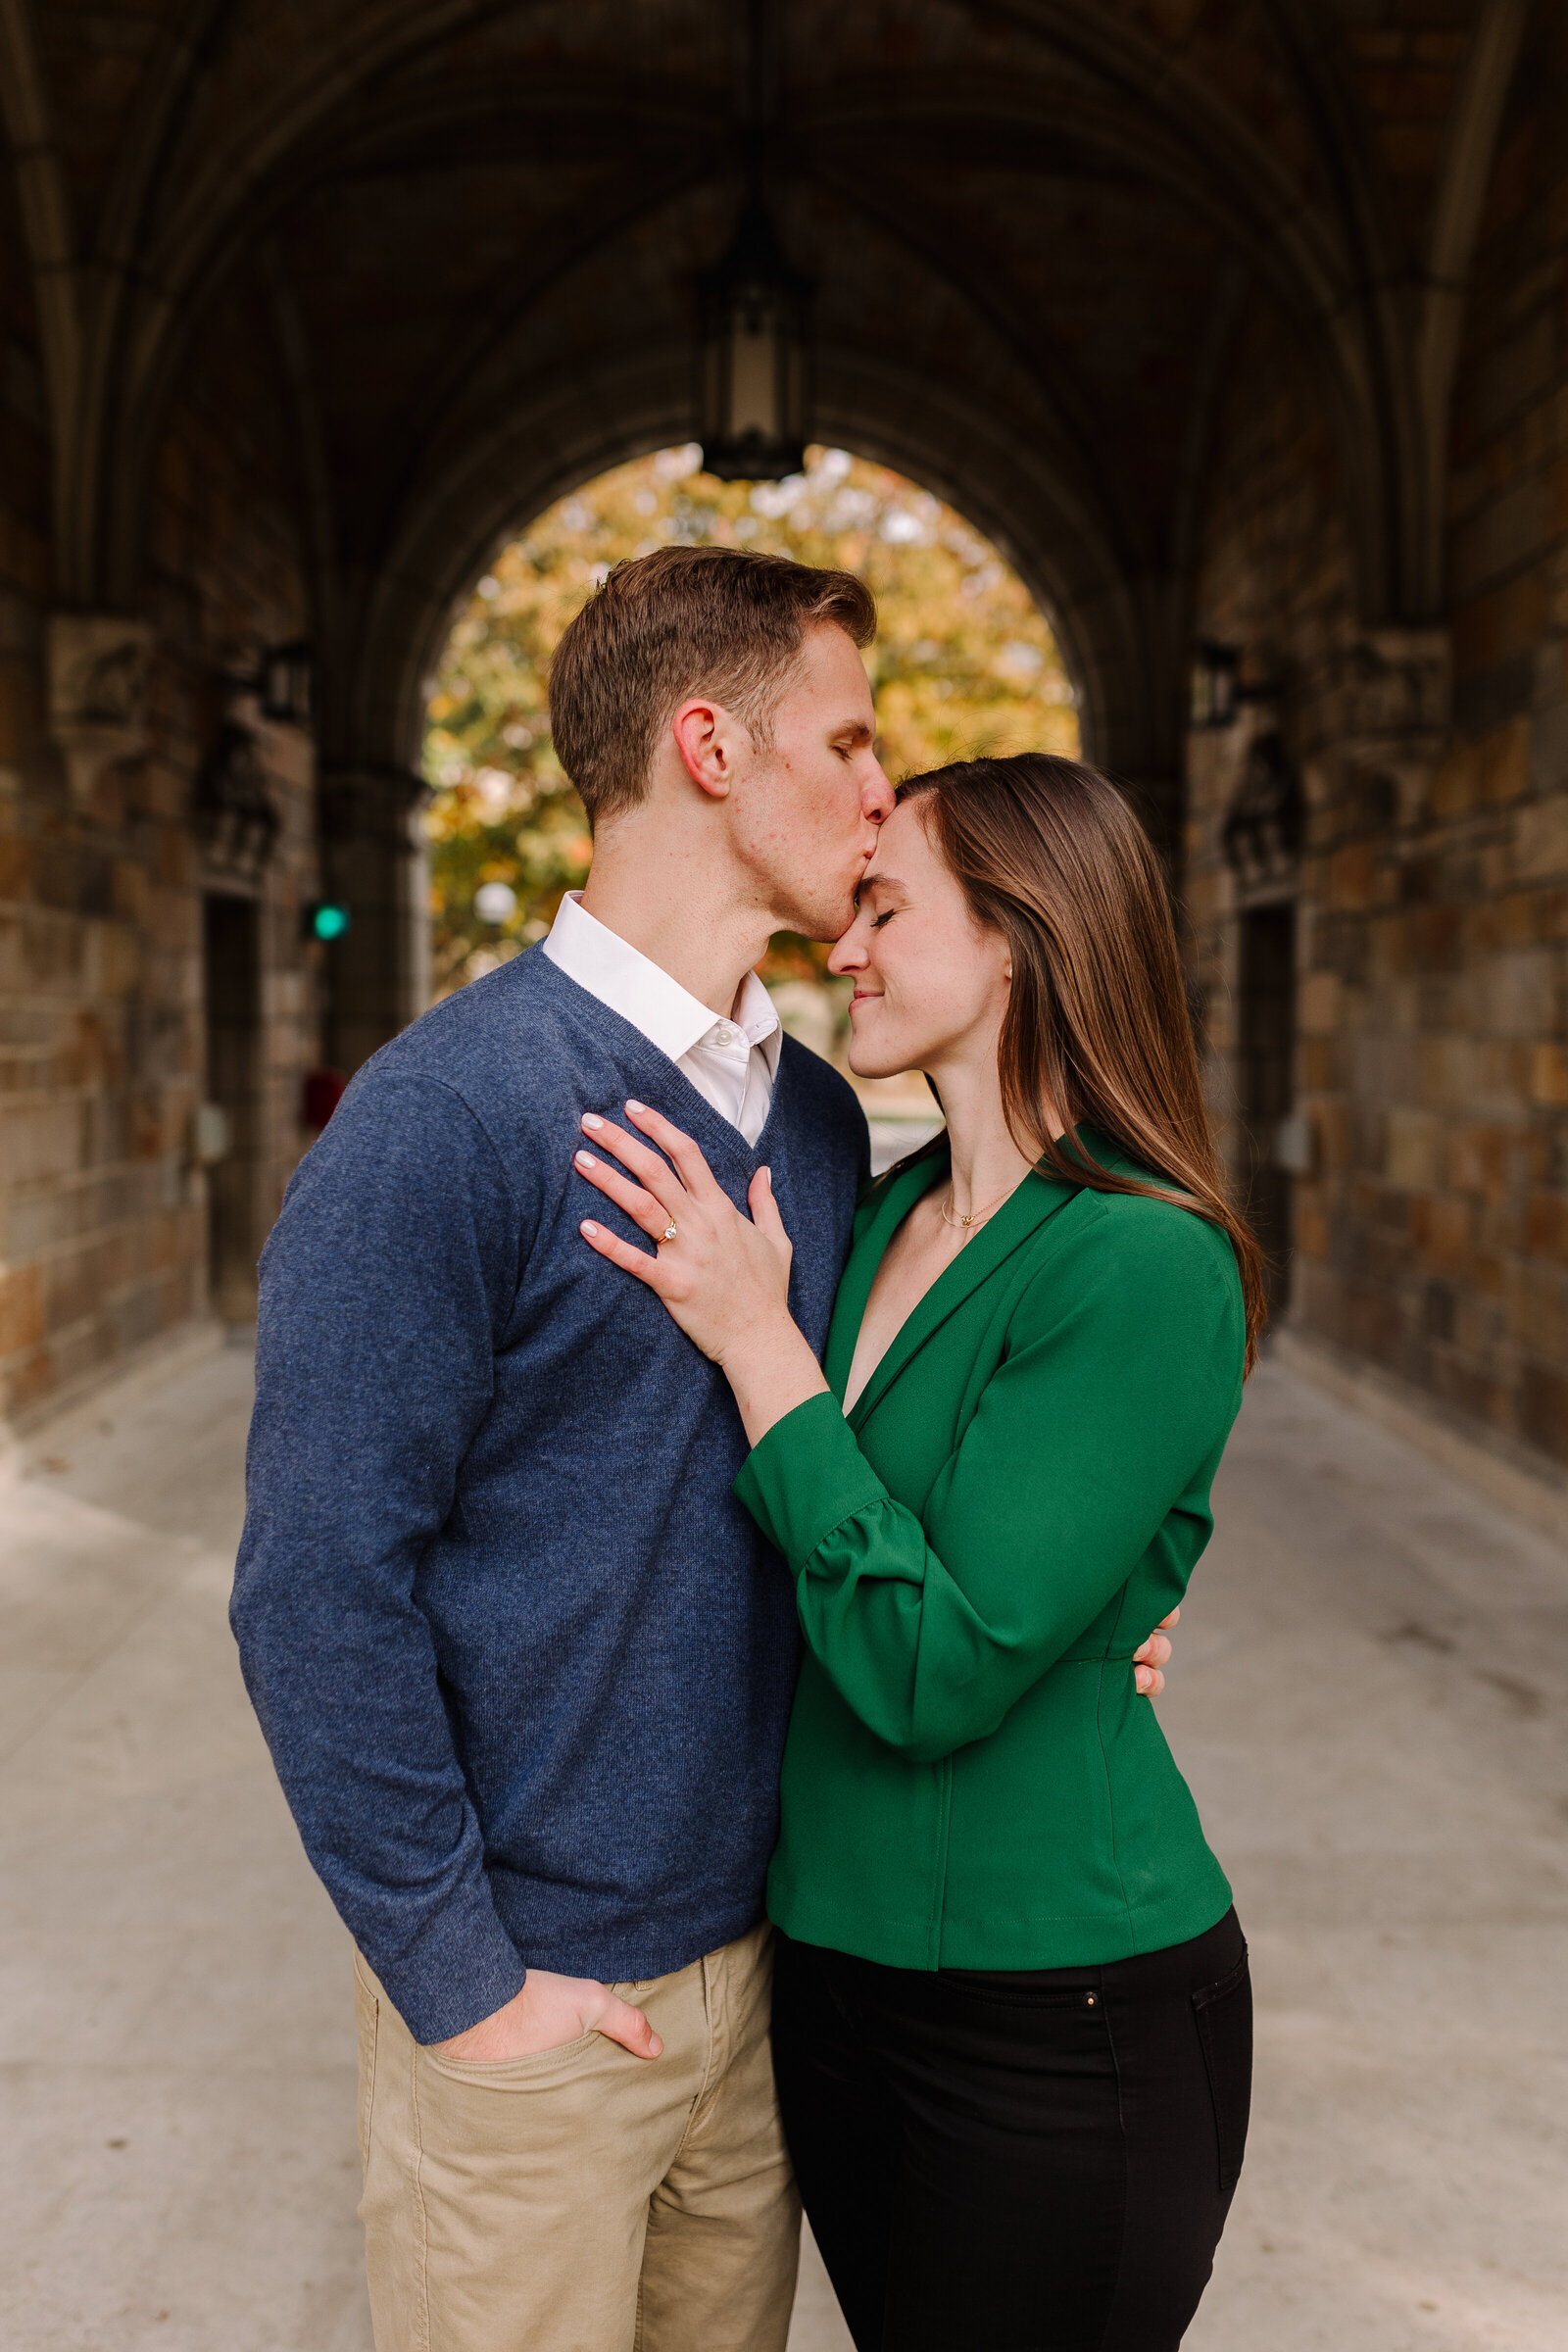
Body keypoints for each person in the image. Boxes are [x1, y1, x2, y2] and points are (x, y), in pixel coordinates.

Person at [230, 548, 1181, 2352]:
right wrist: (466, 1986)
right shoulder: (442, 1123)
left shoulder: (824, 1122)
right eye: (851, 739)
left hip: (768, 1989)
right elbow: (315, 1595)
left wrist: (1110, 1589)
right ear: (710, 750)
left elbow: (933, 1429)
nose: (885, 789)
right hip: (536, 2010)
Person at [572, 752, 1261, 2352]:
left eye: (886, 906)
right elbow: (839, 1553)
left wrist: (761, 1349)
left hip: (1054, 2017)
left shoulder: (1143, 1257)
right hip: (836, 1985)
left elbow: (934, 1667)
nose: (845, 944)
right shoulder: (881, 1216)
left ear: (1020, 934)